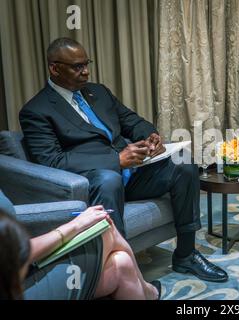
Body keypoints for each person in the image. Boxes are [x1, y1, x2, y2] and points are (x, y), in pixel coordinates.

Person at [19, 37, 227, 283]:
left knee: (184, 162)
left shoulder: (98, 92)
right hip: (97, 184)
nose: (85, 71)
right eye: (77, 66)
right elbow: (52, 161)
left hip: (133, 176)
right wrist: (115, 160)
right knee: (108, 179)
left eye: (87, 64)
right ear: (54, 68)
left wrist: (150, 136)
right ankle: (124, 270)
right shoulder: (36, 110)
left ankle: (186, 255)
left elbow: (132, 121)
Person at [0, 202, 160, 300]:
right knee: (104, 229)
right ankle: (148, 292)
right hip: (15, 286)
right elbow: (16, 254)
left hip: (18, 272)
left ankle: (147, 292)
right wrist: (73, 226)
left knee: (122, 264)